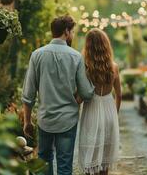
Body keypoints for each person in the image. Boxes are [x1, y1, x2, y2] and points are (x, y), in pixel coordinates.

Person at [21, 15, 95, 175]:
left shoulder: (37, 55)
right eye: (73, 31)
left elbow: (28, 93)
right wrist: (78, 98)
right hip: (68, 120)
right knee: (64, 165)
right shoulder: (76, 57)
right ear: (66, 31)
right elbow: (87, 93)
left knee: (44, 162)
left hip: (45, 119)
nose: (73, 35)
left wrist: (27, 121)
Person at [78, 28, 121, 175]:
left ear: (88, 46)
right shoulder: (114, 67)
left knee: (91, 151)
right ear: (106, 45)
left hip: (91, 110)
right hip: (109, 111)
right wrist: (115, 115)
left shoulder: (85, 68)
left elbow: (80, 94)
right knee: (105, 159)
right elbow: (119, 95)